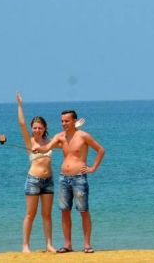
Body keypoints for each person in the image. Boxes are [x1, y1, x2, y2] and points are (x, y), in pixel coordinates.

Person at [34, 109, 105, 254]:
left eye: (66, 121)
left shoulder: (83, 136)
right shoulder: (60, 137)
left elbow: (101, 150)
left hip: (79, 178)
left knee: (83, 211)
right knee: (64, 212)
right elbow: (47, 147)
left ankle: (87, 245)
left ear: (74, 121)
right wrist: (38, 149)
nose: (63, 123)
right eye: (62, 121)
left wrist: (92, 168)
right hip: (63, 178)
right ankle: (68, 245)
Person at [16, 92, 56, 253]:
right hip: (33, 180)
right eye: (35, 128)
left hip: (49, 181)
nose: (37, 130)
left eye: (40, 127)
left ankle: (49, 245)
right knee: (30, 214)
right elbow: (22, 124)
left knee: (47, 215)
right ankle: (25, 246)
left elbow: (66, 138)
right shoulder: (29, 141)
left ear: (45, 128)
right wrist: (20, 105)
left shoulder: (50, 142)